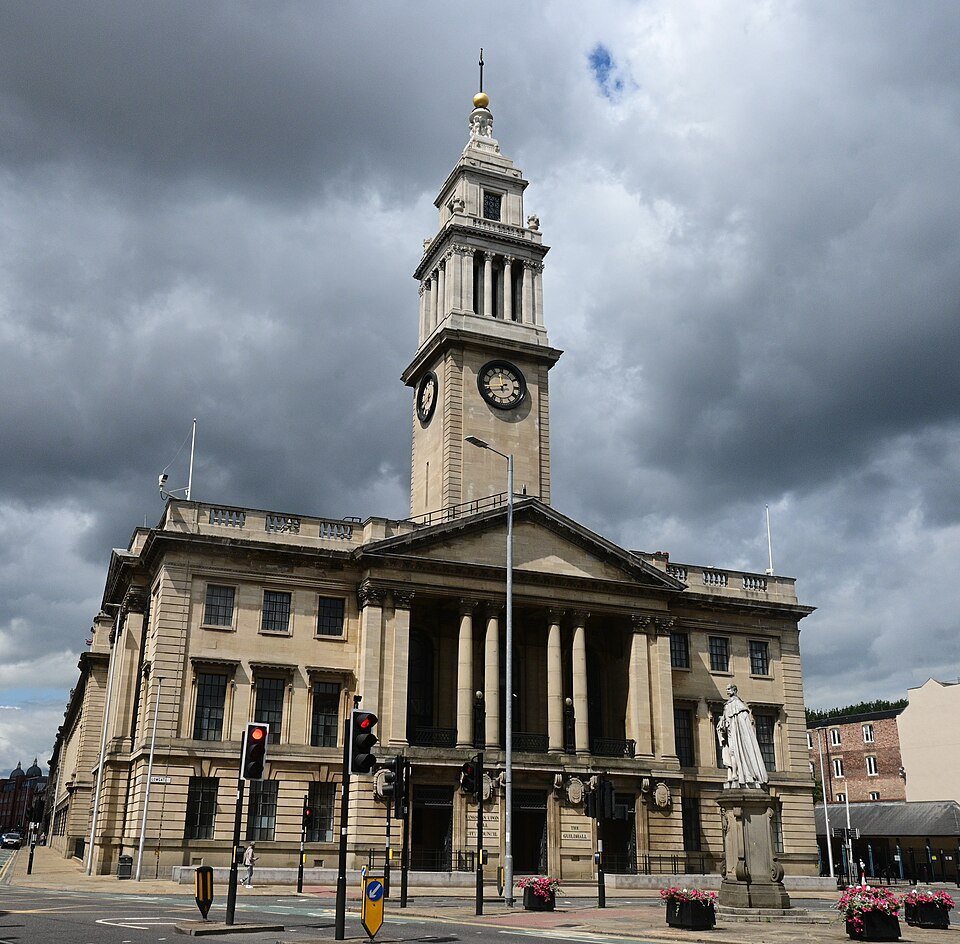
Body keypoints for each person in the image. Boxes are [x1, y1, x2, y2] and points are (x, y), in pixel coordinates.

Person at [716, 683, 769, 788]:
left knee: (735, 752)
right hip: (730, 735)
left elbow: (744, 725)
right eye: (726, 689)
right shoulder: (727, 705)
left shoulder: (738, 704)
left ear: (734, 690)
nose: (727, 691)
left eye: (729, 689)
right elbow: (725, 721)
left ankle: (739, 775)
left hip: (738, 736)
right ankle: (733, 775)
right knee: (731, 753)